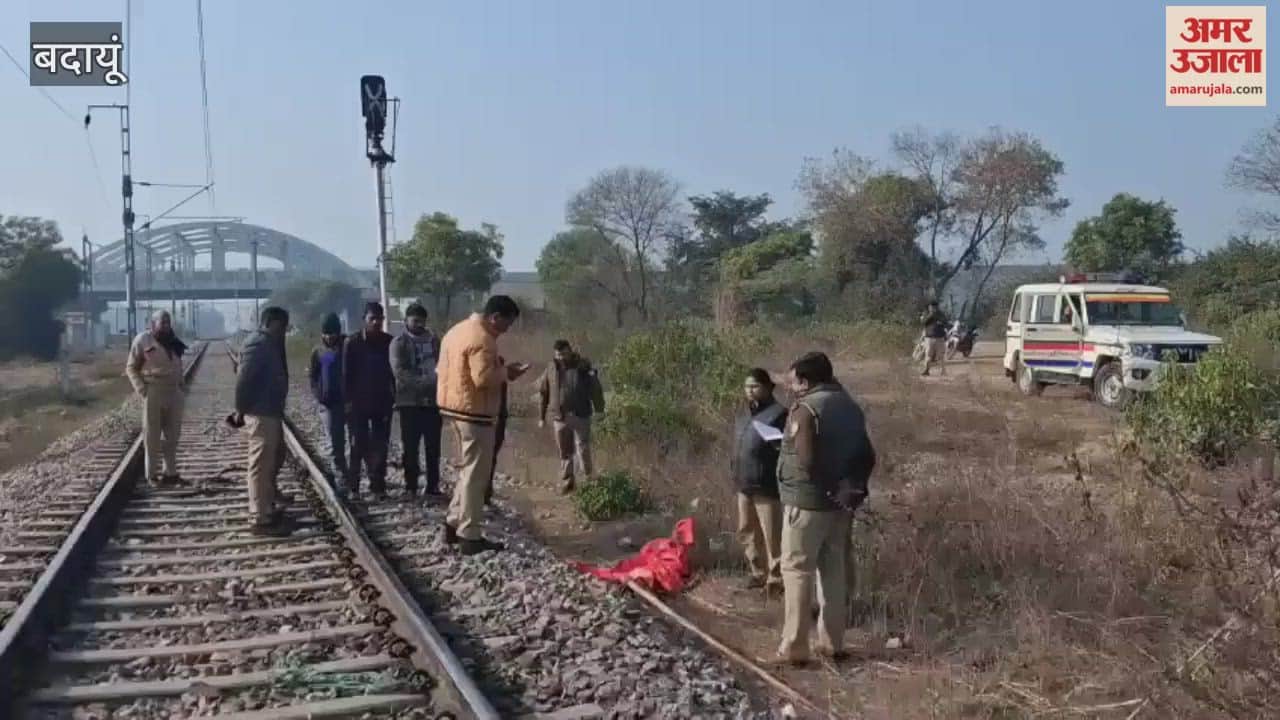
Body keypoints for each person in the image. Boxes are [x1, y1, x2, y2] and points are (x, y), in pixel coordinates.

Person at [776, 351, 876, 665]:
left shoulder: (805, 410)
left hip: (807, 504)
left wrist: (826, 487)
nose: (789, 388)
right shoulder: (850, 406)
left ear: (805, 382)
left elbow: (806, 459)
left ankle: (794, 647)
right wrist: (850, 490)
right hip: (840, 507)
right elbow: (868, 454)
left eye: (792, 382)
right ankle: (833, 643)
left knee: (796, 570)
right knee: (833, 571)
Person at [437, 295, 529, 555]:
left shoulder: (457, 331)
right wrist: (508, 372)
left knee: (467, 471)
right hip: (474, 413)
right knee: (476, 476)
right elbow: (484, 379)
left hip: (454, 409)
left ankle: (453, 522)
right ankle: (470, 534)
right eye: (506, 323)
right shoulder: (483, 340)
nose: (506, 329)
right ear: (495, 316)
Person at [232, 306, 293, 537]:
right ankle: (259, 517)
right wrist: (240, 410)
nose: (285, 331)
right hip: (260, 412)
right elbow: (243, 380)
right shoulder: (257, 343)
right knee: (259, 464)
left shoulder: (268, 343)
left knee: (271, 460)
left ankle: (267, 507)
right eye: (283, 326)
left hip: (271, 411)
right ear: (274, 323)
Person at [731, 368, 787, 592]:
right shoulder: (744, 416)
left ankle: (776, 580)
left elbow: (784, 448)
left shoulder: (778, 414)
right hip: (744, 484)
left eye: (754, 386)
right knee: (746, 531)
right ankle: (757, 572)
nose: (750, 391)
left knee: (772, 535)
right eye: (747, 387)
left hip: (766, 485)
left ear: (767, 387)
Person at [125, 309, 188, 485]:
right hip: (153, 391)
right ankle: (151, 475)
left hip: (173, 392)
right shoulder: (143, 340)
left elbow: (178, 364)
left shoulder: (174, 341)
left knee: (173, 436)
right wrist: (142, 389)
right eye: (163, 323)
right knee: (152, 436)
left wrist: (181, 386)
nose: (166, 326)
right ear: (153, 324)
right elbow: (131, 367)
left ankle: (170, 473)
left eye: (168, 323)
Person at [536, 339, 605, 494]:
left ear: (569, 351)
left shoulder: (583, 366)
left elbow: (596, 388)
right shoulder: (551, 368)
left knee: (583, 448)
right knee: (565, 451)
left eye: (564, 353)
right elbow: (543, 392)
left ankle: (588, 481)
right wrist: (541, 417)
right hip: (560, 416)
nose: (561, 357)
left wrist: (599, 409)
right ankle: (568, 482)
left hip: (581, 414)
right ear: (555, 354)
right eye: (558, 354)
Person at [342, 302, 395, 499]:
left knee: (380, 446)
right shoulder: (352, 342)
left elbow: (393, 374)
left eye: (379, 319)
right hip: (358, 404)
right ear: (364, 319)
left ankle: (378, 486)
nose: (376, 322)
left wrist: (394, 398)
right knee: (357, 445)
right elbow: (346, 375)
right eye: (372, 318)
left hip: (382, 402)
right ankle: (353, 487)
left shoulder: (389, 342)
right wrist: (347, 403)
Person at [390, 302, 443, 499]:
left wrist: (437, 383)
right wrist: (423, 383)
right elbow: (399, 372)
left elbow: (442, 362)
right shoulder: (399, 342)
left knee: (433, 448)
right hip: (409, 403)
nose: (419, 324)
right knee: (410, 448)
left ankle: (432, 486)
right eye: (415, 320)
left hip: (432, 403)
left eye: (422, 321)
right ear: (406, 321)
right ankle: (411, 486)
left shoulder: (434, 340)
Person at [308, 313, 348, 482]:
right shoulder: (318, 351)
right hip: (329, 404)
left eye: (333, 332)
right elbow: (313, 375)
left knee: (356, 443)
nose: (330, 336)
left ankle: (354, 477)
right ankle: (341, 477)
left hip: (350, 402)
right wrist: (319, 395)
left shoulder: (348, 346)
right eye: (326, 332)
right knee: (335, 443)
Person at [485, 356, 510, 507]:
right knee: (489, 458)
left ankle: (485, 492)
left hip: (494, 419)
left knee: (488, 457)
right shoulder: (500, 379)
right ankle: (485, 492)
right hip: (494, 420)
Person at [919, 300, 949, 376]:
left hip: (939, 338)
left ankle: (943, 371)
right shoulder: (926, 314)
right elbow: (923, 322)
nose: (932, 308)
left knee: (941, 355)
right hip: (929, 338)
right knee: (928, 355)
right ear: (929, 307)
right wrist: (931, 315)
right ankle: (926, 370)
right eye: (931, 307)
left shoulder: (941, 314)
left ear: (937, 307)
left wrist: (940, 320)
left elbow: (946, 322)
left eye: (934, 307)